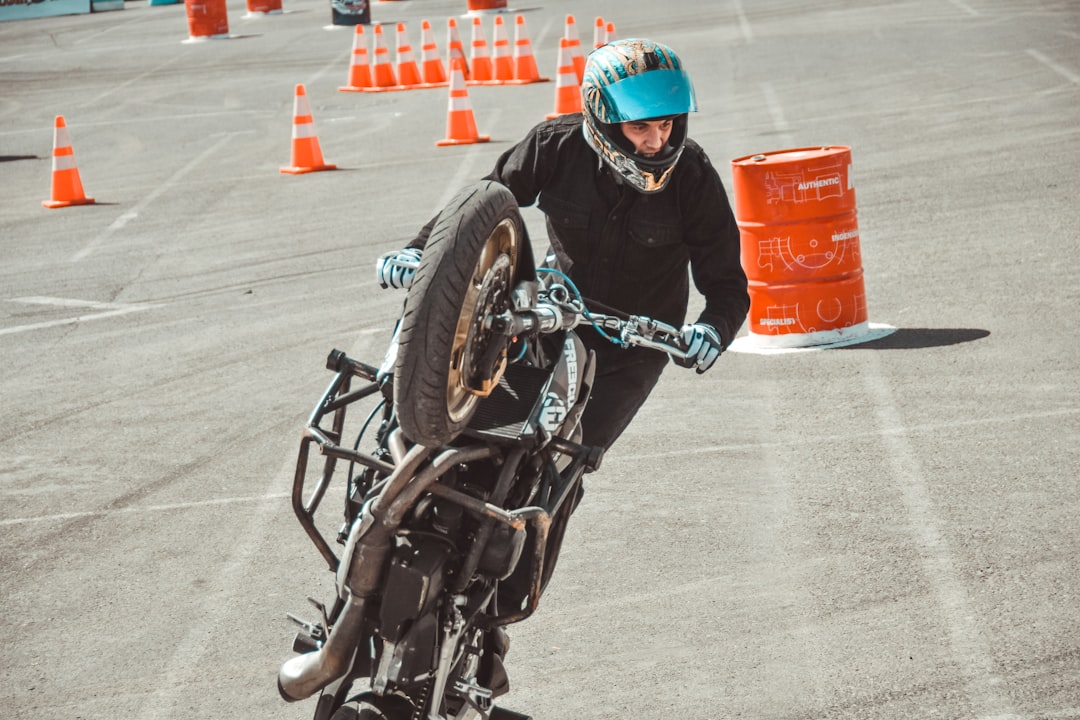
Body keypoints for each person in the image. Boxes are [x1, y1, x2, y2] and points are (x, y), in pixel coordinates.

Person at [378, 38, 749, 453]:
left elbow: (728, 287)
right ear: (605, 121)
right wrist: (419, 251)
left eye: (666, 125)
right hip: (549, 325)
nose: (656, 142)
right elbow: (482, 202)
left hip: (633, 354)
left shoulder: (693, 176)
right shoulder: (554, 144)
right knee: (481, 438)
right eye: (640, 127)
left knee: (566, 461)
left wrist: (713, 330)